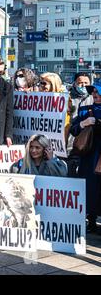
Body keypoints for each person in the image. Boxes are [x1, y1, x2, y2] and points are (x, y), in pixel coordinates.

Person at [70, 80, 101, 233]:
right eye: (93, 91)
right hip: (89, 156)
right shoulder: (84, 110)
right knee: (90, 188)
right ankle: (91, 220)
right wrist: (84, 124)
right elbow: (73, 130)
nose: (95, 94)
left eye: (98, 92)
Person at [66, 72, 93, 177]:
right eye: (80, 82)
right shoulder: (67, 97)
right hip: (70, 143)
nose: (83, 85)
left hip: (87, 143)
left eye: (86, 83)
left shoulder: (94, 97)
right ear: (74, 83)